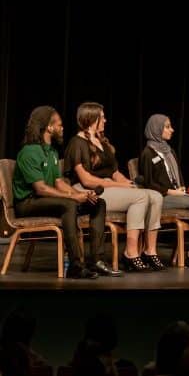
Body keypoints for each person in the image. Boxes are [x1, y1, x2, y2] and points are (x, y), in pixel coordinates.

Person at [12, 106, 112, 279]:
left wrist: (83, 195)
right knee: (69, 204)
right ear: (49, 127)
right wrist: (73, 197)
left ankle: (97, 259)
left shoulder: (51, 152)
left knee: (97, 203)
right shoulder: (29, 152)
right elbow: (40, 188)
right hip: (28, 203)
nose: (62, 128)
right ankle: (75, 264)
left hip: (47, 200)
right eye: (59, 124)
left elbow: (58, 182)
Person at [65, 102, 165, 272]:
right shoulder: (77, 143)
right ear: (91, 119)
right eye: (102, 117)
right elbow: (87, 180)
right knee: (140, 197)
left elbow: (114, 172)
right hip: (88, 191)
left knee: (155, 196)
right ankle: (130, 253)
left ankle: (150, 251)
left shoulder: (102, 143)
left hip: (109, 188)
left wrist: (128, 183)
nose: (105, 120)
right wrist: (119, 185)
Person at [138, 114, 189, 267]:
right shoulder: (148, 153)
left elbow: (176, 176)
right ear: (156, 128)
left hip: (176, 194)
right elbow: (148, 184)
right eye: (167, 127)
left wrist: (180, 187)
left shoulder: (169, 151)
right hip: (161, 198)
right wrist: (171, 191)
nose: (172, 130)